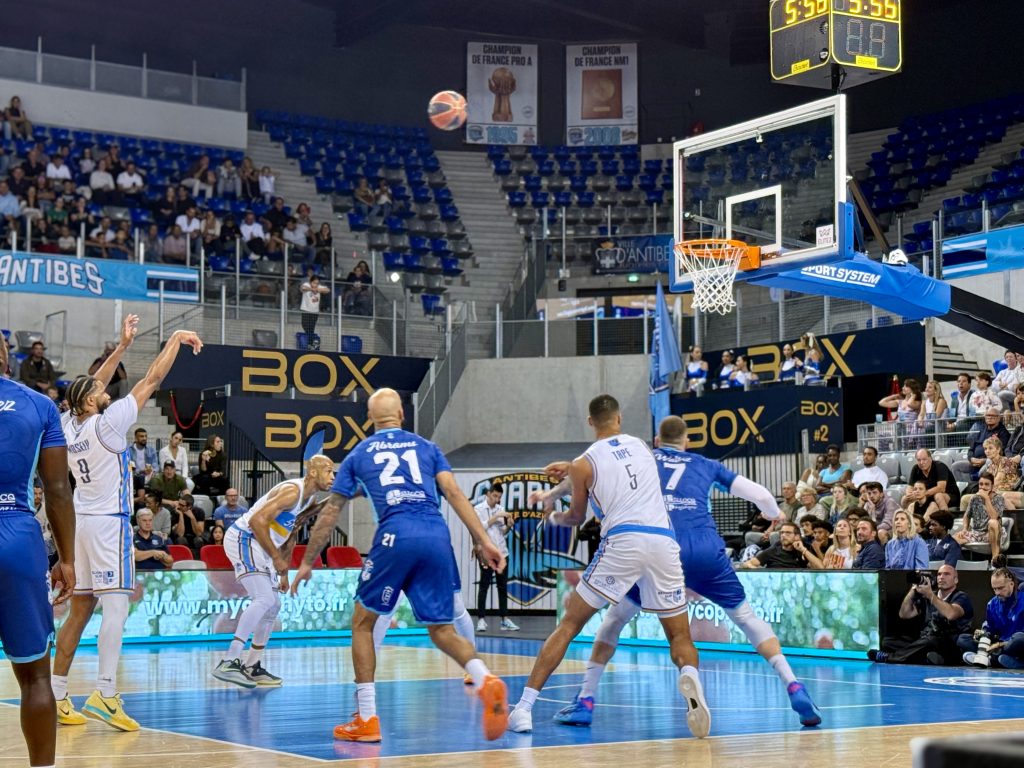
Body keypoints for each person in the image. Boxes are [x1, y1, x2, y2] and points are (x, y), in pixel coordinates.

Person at [533, 414, 821, 728]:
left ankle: (586, 699)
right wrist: (774, 513)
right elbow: (762, 496)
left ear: (657, 441)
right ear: (687, 442)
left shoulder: (642, 457)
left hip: (661, 546)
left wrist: (556, 488)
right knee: (746, 618)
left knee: (614, 621)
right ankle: (793, 684)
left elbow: (593, 475)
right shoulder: (705, 463)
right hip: (704, 548)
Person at [289, 388, 509, 743]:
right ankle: (485, 677)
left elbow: (331, 512)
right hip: (436, 535)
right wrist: (484, 540)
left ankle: (366, 718)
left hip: (396, 535)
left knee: (363, 623)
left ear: (370, 419)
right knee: (442, 629)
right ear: (402, 415)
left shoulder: (360, 453)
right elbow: (455, 494)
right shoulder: (428, 448)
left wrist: (307, 561)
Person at [500, 396, 709, 738]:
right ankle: (690, 675)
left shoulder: (583, 463)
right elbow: (615, 467)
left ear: (590, 422)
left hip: (623, 542)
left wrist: (554, 513)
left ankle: (523, 709)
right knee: (680, 636)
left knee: (569, 625)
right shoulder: (642, 446)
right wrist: (568, 475)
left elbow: (577, 516)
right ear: (619, 418)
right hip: (663, 542)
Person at [52, 317, 202, 732]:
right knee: (117, 605)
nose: (107, 390)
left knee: (81, 610)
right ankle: (105, 692)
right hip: (108, 524)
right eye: (100, 391)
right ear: (90, 402)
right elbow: (153, 378)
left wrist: (120, 348)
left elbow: (87, 386)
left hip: (81, 523)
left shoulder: (68, 424)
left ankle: (57, 693)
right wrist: (174, 339)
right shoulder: (109, 423)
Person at [0, 330, 76, 768]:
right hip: (18, 535)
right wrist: (67, 559)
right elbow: (58, 489)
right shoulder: (40, 405)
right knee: (34, 678)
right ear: (7, 359)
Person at [212, 455, 337, 688]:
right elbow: (257, 521)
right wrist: (277, 558)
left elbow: (291, 533)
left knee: (273, 605)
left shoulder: (307, 499)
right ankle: (229, 661)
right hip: (245, 538)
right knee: (264, 598)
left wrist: (283, 572)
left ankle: (252, 665)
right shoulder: (292, 491)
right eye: (329, 471)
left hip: (261, 546)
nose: (333, 476)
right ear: (313, 472)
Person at [869, 565, 973, 665]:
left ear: (955, 580)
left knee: (930, 640)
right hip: (924, 640)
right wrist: (913, 590)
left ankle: (890, 658)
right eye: (939, 574)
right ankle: (926, 658)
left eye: (946, 574)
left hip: (948, 644)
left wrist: (930, 595)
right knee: (888, 642)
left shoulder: (961, 597)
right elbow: (904, 614)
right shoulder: (929, 596)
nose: (941, 577)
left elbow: (951, 614)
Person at [473, 483, 518, 632]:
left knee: (502, 587)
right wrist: (496, 516)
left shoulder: (501, 509)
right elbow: (480, 528)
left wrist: (509, 525)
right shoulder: (478, 509)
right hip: (487, 554)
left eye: (499, 497)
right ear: (488, 494)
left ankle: (504, 619)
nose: (497, 500)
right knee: (484, 586)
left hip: (502, 553)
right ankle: (481, 620)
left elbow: (502, 532)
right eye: (495, 496)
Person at [959, 568, 1024, 669]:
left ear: (1011, 584)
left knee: (1018, 639)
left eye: (1001, 588)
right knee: (963, 639)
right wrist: (983, 633)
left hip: (1012, 643)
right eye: (994, 589)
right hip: (997, 644)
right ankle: (995, 658)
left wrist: (1000, 645)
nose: (997, 593)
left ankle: (990, 659)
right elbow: (990, 629)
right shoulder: (992, 604)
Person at [954, 472, 1006, 564]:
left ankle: (995, 561)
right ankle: (958, 564)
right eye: (981, 484)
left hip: (993, 533)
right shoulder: (974, 498)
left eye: (986, 484)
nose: (983, 487)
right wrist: (965, 529)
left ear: (992, 486)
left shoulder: (999, 499)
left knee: (993, 522)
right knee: (954, 538)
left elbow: (994, 517)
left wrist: (986, 499)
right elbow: (966, 516)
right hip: (976, 533)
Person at [953, 409, 1011, 484]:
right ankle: (968, 487)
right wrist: (971, 459)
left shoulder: (1003, 433)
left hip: (990, 463)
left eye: (992, 416)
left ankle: (979, 486)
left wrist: (984, 460)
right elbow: (971, 448)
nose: (989, 417)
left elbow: (1002, 452)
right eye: (988, 415)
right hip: (974, 462)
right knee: (955, 467)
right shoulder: (982, 429)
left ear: (998, 418)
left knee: (986, 467)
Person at [739, 521, 824, 569]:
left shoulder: (803, 550)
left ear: (797, 536)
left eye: (788, 533)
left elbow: (821, 568)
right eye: (782, 533)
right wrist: (757, 570)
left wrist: (803, 550)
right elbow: (746, 564)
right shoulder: (773, 550)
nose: (783, 535)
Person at [879, 377, 923, 449]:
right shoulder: (899, 402)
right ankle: (885, 453)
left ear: (912, 389)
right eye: (903, 386)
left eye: (906, 386)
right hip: (898, 429)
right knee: (882, 435)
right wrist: (894, 396)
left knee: (901, 433)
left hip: (910, 431)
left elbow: (909, 404)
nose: (903, 388)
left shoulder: (917, 402)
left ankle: (902, 451)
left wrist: (914, 395)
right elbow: (881, 403)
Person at [299, 275, 330, 349]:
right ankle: (314, 340)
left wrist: (318, 290)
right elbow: (302, 288)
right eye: (314, 283)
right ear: (311, 282)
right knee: (304, 325)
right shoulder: (307, 284)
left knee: (311, 328)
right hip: (305, 310)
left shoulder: (319, 287)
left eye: (317, 283)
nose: (315, 284)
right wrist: (311, 289)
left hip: (315, 312)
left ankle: (310, 344)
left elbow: (328, 290)